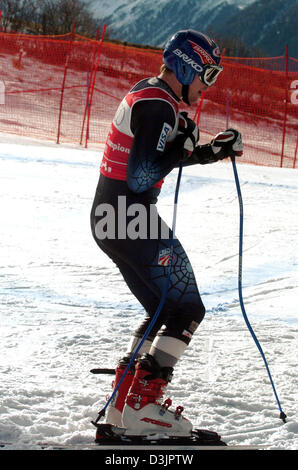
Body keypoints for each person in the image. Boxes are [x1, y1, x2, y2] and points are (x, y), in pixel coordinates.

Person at [90, 29, 243, 436]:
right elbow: (143, 176)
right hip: (130, 216)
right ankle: (141, 407)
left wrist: (205, 151)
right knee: (187, 310)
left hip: (112, 217)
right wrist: (183, 146)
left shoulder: (152, 94)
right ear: (185, 68)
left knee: (161, 309)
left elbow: (154, 159)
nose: (209, 86)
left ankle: (123, 406)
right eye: (207, 76)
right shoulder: (159, 106)